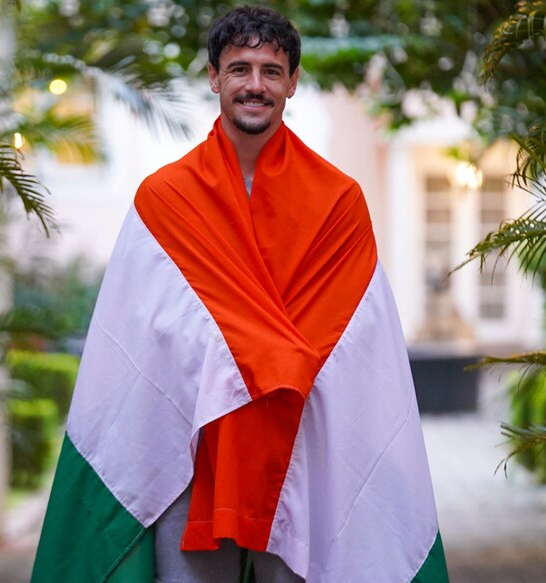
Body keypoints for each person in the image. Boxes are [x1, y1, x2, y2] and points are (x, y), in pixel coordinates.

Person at [32, 6, 448, 582]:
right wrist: (257, 353)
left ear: (293, 83)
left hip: (302, 452)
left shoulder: (338, 202)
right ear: (213, 77)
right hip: (193, 452)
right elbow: (132, 341)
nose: (256, 85)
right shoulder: (165, 201)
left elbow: (355, 344)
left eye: (272, 71)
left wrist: (253, 350)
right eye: (240, 69)